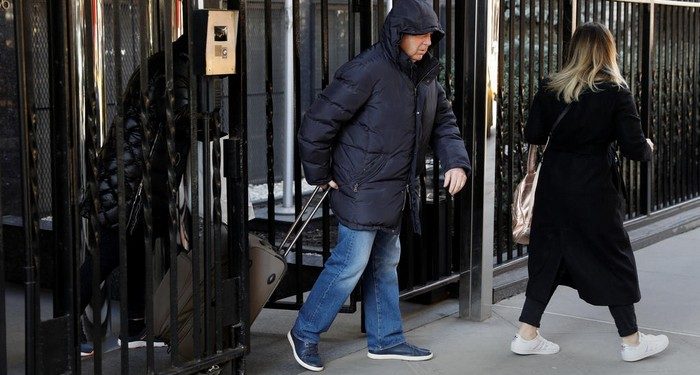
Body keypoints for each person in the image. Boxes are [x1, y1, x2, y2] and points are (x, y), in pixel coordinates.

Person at [289, 0, 471, 371]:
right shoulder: (367, 69)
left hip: (396, 188)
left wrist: (456, 161)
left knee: (385, 263)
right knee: (350, 263)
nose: (425, 43)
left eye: (430, 36)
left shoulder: (424, 74)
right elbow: (316, 124)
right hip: (360, 186)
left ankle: (386, 339)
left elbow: (444, 122)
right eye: (418, 35)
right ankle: (305, 331)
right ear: (397, 34)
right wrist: (321, 175)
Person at [510, 22, 668, 362]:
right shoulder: (615, 93)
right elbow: (635, 149)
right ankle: (632, 342)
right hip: (594, 189)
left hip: (554, 186)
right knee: (612, 258)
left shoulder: (550, 88)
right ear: (608, 52)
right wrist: (649, 146)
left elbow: (534, 133)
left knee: (549, 256)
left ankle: (527, 334)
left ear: (575, 50)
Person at [78, 35, 192, 356]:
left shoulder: (162, 64)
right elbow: (177, 117)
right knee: (107, 257)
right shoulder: (173, 69)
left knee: (137, 252)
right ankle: (63, 322)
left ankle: (134, 327)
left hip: (134, 181)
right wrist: (208, 123)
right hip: (128, 185)